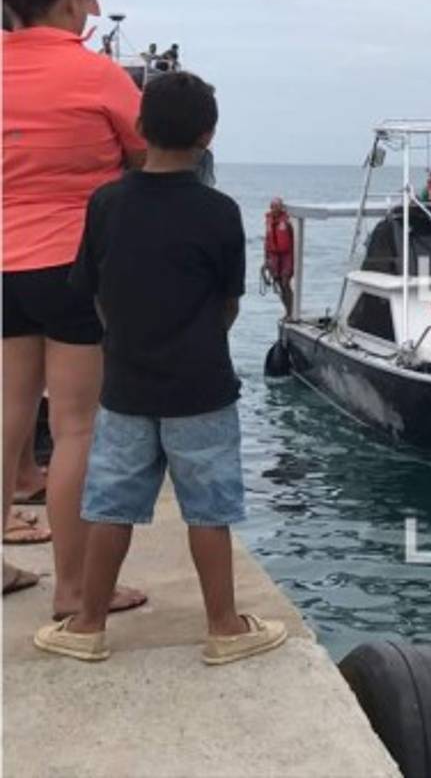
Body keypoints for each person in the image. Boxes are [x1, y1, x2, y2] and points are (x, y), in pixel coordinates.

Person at [34, 71, 287, 665]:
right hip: (201, 387)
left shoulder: (106, 202)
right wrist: (199, 340)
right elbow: (229, 302)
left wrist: (124, 339)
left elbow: (93, 292)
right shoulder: (220, 212)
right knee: (209, 510)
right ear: (209, 135)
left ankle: (88, 625)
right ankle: (224, 627)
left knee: (110, 507)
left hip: (125, 386)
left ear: (141, 128)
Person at [2, 0, 146, 608]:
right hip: (72, 265)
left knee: (6, 412)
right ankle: (75, 588)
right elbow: (147, 154)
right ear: (68, 0)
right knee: (75, 426)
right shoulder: (98, 75)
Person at [263, 197, 295, 315]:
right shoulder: (269, 221)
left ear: (281, 208)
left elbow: (294, 239)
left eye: (278, 206)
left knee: (286, 282)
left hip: (287, 255)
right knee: (278, 284)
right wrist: (266, 260)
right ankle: (287, 311)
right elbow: (267, 240)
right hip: (273, 256)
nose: (275, 209)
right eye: (273, 206)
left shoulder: (287, 221)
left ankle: (292, 311)